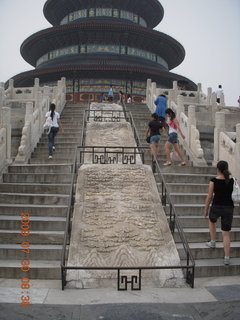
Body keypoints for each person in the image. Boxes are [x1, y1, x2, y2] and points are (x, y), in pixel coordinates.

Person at [204, 160, 234, 265]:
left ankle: (213, 242)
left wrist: (206, 209)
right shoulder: (232, 181)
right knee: (226, 234)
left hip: (216, 206)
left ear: (217, 169)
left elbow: (209, 196)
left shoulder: (213, 181)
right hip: (228, 208)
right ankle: (227, 258)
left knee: (212, 221)